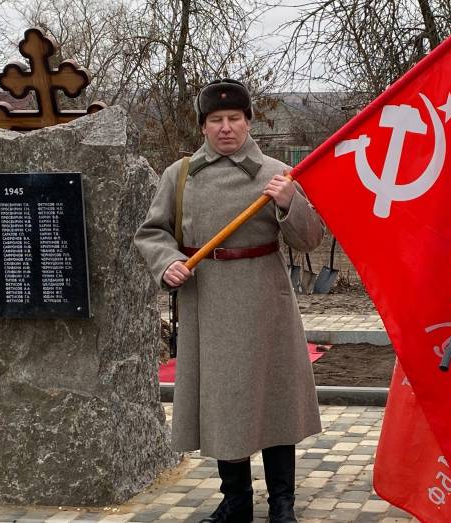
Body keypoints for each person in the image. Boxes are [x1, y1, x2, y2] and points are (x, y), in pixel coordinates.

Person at [134, 78, 325, 523]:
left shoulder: (276, 172)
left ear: (249, 122)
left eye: (234, 118)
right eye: (215, 120)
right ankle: (235, 502)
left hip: (266, 299)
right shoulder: (179, 175)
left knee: (275, 401)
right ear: (202, 127)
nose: (225, 128)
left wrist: (289, 201)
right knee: (224, 403)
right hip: (210, 300)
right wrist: (166, 264)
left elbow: (310, 239)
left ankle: (283, 504)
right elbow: (153, 232)